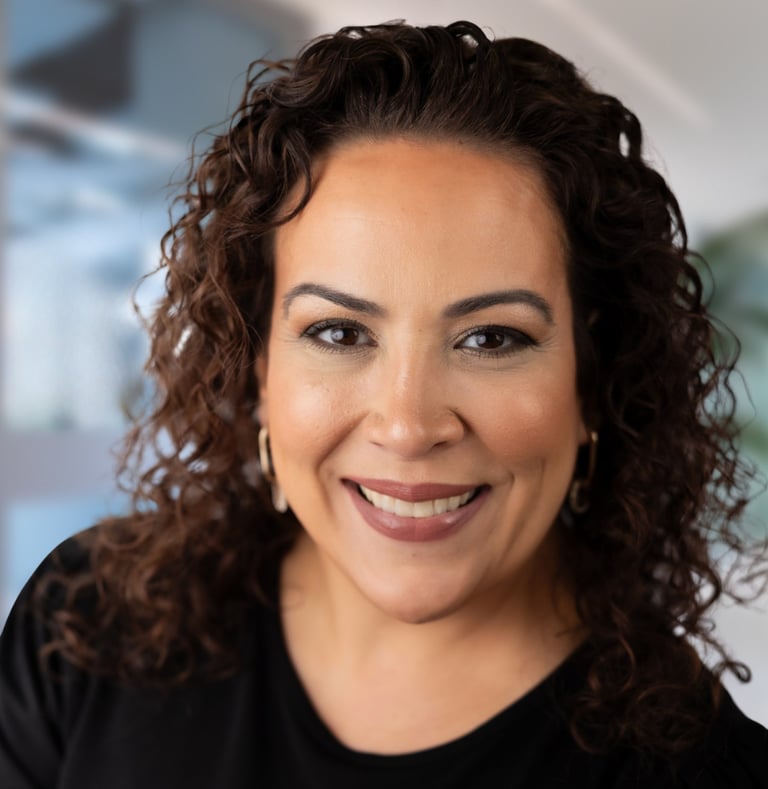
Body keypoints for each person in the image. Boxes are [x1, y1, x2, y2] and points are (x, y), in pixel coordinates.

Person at [1, 20, 766, 788]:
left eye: (491, 338)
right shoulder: (84, 627)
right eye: (339, 332)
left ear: (591, 377)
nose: (407, 426)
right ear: (260, 368)